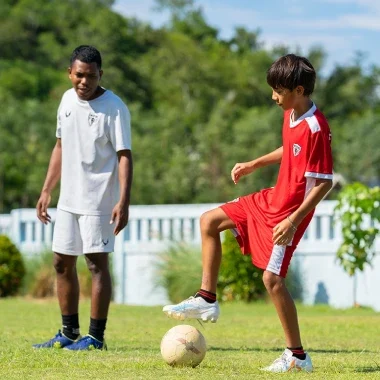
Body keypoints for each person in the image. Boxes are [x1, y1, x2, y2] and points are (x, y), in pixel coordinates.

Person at [163, 54, 333, 372]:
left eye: (278, 91)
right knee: (209, 221)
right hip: (270, 199)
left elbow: (324, 183)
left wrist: (292, 221)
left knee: (272, 280)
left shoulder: (316, 126)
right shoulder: (292, 113)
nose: (273, 97)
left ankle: (297, 356)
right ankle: (207, 299)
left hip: (289, 213)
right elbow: (291, 149)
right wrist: (255, 163)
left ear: (298, 90)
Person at [33, 45, 133, 351]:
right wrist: (47, 189)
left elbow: (125, 156)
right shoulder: (66, 100)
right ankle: (69, 331)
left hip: (99, 201)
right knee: (62, 263)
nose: (84, 82)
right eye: (79, 75)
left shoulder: (115, 107)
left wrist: (124, 201)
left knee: (95, 264)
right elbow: (60, 147)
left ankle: (96, 337)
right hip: (68, 201)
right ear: (70, 73)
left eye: (90, 76)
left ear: (100, 74)